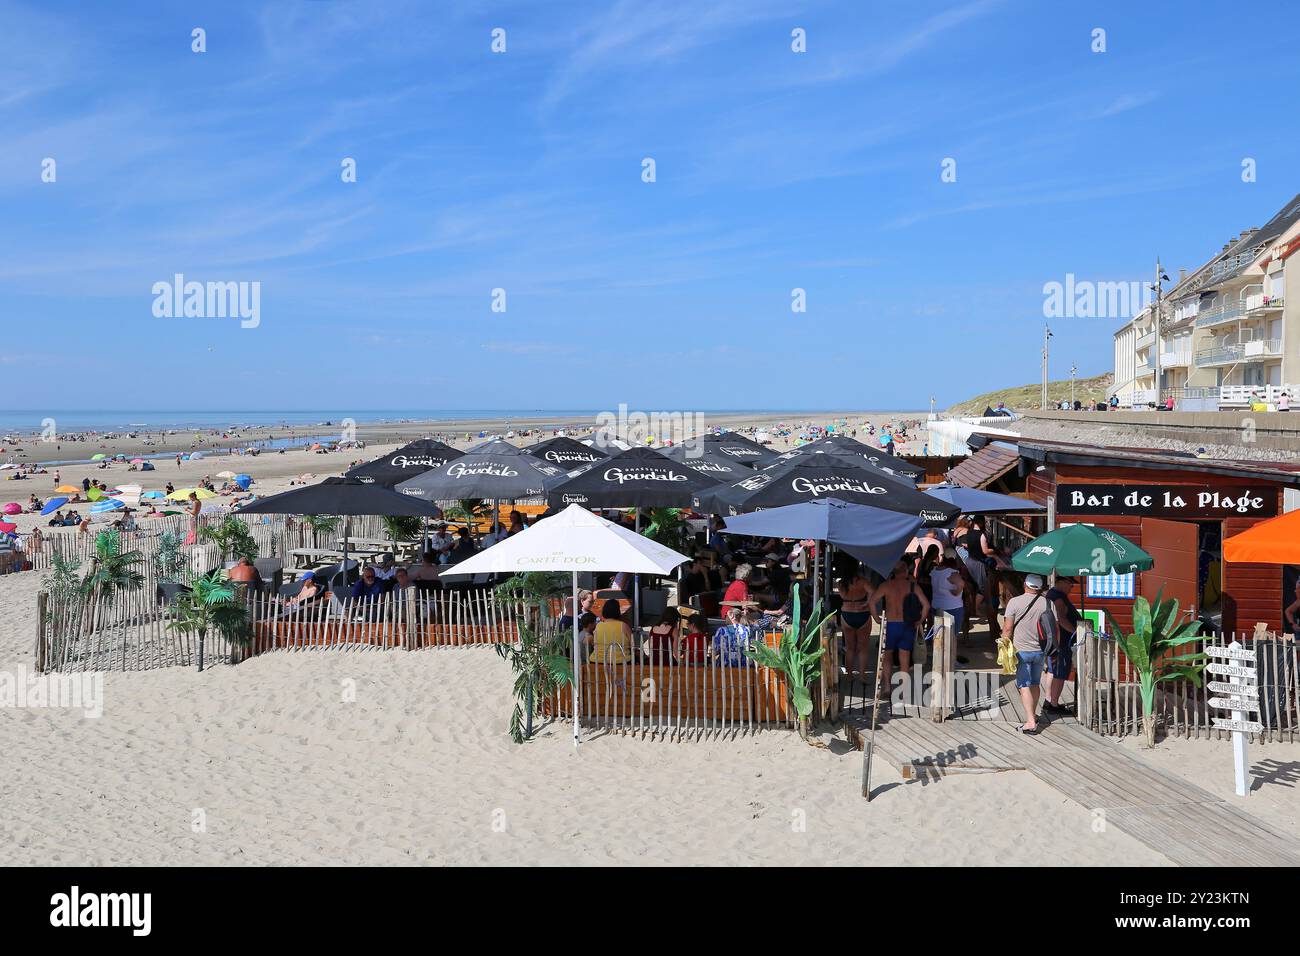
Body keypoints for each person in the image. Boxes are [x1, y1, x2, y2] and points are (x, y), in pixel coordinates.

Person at [872, 559, 930, 710]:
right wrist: (920, 620)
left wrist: (877, 619)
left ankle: (886, 687)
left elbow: (872, 602)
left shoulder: (886, 586)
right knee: (904, 657)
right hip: (907, 625)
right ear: (905, 572)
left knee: (887, 656)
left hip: (891, 624)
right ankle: (903, 690)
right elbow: (926, 605)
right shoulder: (912, 586)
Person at [1002, 573, 1051, 734]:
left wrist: (1003, 644)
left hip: (1021, 650)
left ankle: (1030, 721)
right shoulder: (1048, 603)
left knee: (1023, 685)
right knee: (1035, 683)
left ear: (1025, 584)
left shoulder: (1014, 602)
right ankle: (1034, 714)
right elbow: (1053, 628)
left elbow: (1008, 629)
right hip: (1040, 650)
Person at [1043, 575, 1081, 714]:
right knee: (1060, 673)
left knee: (1053, 671)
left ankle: (1049, 700)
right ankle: (1053, 704)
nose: (1072, 587)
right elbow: (1061, 619)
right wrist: (1076, 632)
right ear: (1061, 582)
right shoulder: (1058, 598)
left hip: (1054, 642)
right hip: (1062, 642)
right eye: (1070, 584)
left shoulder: (1052, 594)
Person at [836, 560, 874, 678]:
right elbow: (873, 591)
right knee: (863, 647)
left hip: (847, 614)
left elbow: (842, 596)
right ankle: (862, 675)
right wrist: (867, 602)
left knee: (850, 647)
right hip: (862, 612)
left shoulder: (842, 583)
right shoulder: (862, 581)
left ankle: (849, 675)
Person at [930, 550, 966, 637]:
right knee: (952, 637)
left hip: (936, 605)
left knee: (939, 636)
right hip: (953, 607)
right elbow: (961, 584)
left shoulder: (934, 570)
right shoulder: (951, 572)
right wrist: (956, 592)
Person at [591, 600, 632, 664]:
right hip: (621, 661)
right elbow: (633, 645)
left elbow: (594, 642)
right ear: (618, 611)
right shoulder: (624, 626)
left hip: (597, 660)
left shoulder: (598, 626)